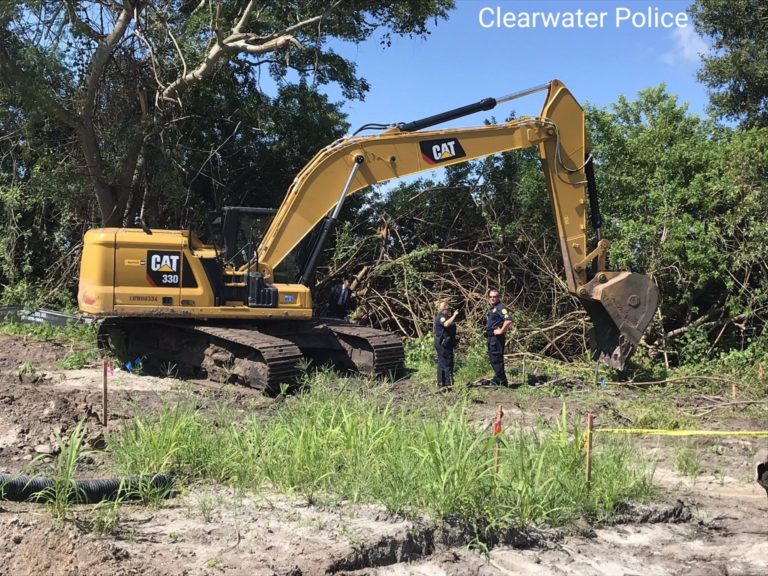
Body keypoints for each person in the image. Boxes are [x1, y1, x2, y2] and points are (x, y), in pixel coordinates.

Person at [486, 289, 513, 386]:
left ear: (498, 297)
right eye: (491, 297)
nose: (492, 299)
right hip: (491, 337)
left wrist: (501, 330)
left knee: (497, 359)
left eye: (495, 297)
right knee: (493, 359)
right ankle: (499, 378)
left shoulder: (500, 307)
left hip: (496, 338)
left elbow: (508, 320)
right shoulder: (491, 308)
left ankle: (501, 381)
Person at [434, 300, 459, 388]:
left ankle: (442, 383)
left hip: (443, 343)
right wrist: (455, 315)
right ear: (444, 309)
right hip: (443, 344)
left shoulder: (442, 317)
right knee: (447, 363)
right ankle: (448, 384)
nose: (449, 312)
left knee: (442, 363)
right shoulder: (441, 317)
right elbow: (446, 324)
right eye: (448, 310)